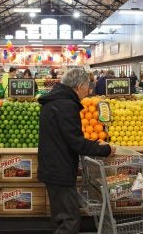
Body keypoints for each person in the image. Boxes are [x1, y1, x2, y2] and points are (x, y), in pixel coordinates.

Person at [37, 68, 115, 234]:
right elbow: (76, 143)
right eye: (87, 87)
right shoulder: (66, 105)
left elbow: (66, 137)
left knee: (60, 217)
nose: (88, 92)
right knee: (70, 220)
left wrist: (93, 144)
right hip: (60, 170)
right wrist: (106, 149)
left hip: (51, 166)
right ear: (80, 86)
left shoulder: (53, 101)